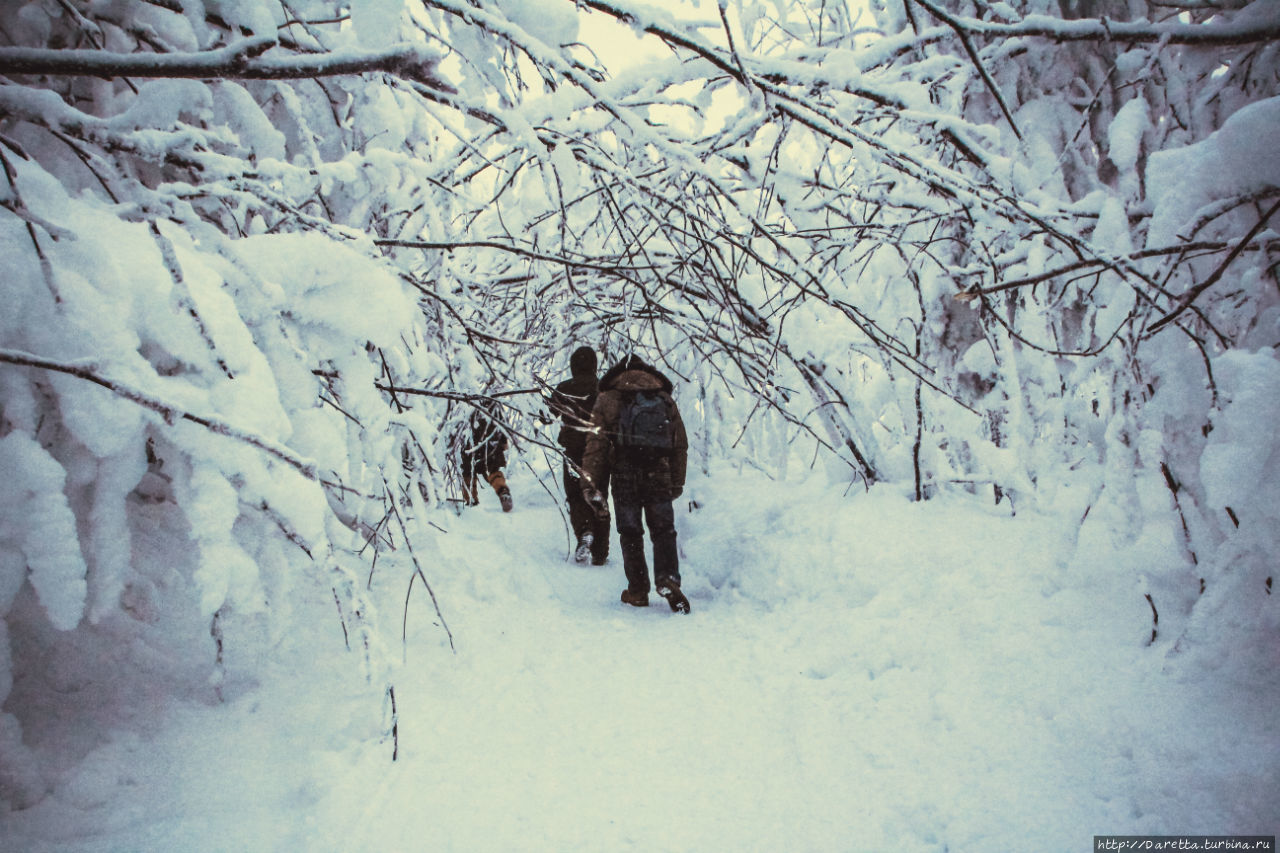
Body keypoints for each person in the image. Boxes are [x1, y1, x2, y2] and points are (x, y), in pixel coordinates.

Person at [581, 355, 690, 613]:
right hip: (659, 471)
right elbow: (680, 443)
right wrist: (677, 482)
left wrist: (591, 484)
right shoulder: (663, 397)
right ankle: (667, 578)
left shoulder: (608, 398)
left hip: (624, 473)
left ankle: (638, 590)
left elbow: (595, 446)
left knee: (630, 532)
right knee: (664, 529)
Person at [549, 346, 610, 565]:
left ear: (573, 365)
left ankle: (585, 531)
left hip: (573, 452)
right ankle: (601, 552)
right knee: (599, 495)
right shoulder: (604, 388)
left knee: (575, 495)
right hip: (600, 453)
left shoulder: (564, 389)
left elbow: (546, 415)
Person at [460, 404, 513, 512]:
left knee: (468, 473)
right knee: (494, 472)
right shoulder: (493, 405)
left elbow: (458, 427)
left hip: (471, 446)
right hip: (492, 445)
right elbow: (501, 425)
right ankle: (503, 491)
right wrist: (503, 443)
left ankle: (470, 502)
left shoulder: (464, 405)